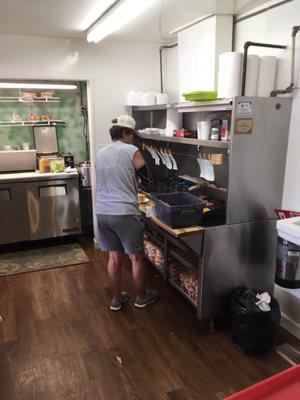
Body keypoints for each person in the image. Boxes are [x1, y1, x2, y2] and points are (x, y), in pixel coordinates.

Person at [95, 115, 159, 311]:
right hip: (124, 211)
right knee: (136, 257)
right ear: (125, 133)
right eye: (132, 134)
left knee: (114, 257)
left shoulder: (101, 152)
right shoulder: (131, 150)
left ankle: (116, 299)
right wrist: (140, 180)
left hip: (103, 211)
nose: (133, 139)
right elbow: (147, 178)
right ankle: (142, 297)